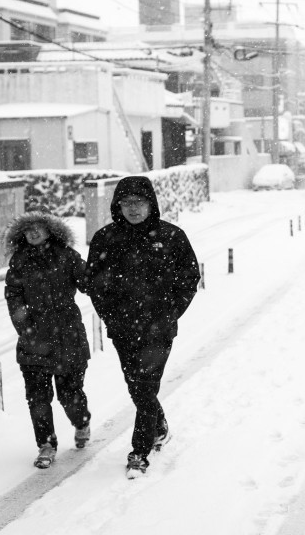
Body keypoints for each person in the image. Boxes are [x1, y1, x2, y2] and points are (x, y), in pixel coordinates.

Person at [84, 176, 200, 478]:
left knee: (146, 386)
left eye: (139, 202)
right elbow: (94, 284)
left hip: (158, 328)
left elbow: (188, 278)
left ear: (151, 203)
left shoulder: (172, 236)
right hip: (122, 328)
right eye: (126, 203)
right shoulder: (105, 239)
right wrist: (109, 316)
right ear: (117, 206)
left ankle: (140, 451)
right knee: (136, 386)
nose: (133, 209)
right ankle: (159, 428)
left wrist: (171, 312)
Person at [4, 211, 92, 469]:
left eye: (38, 228)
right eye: (28, 229)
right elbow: (14, 298)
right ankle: (46, 444)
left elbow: (88, 282)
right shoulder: (19, 262)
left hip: (68, 336)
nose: (33, 233)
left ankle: (81, 421)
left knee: (70, 395)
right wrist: (27, 330)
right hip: (34, 340)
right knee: (38, 398)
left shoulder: (67, 257)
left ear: (50, 231)